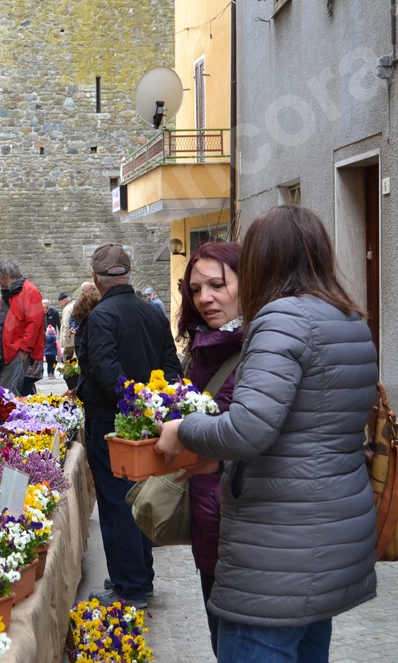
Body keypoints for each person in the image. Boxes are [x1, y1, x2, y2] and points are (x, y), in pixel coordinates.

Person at [155, 205, 378, 662]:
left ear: (260, 260)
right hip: (331, 534)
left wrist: (184, 428)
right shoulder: (348, 319)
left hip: (277, 547)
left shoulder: (280, 319)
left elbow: (246, 430)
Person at [77, 243, 182, 609]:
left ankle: (130, 585)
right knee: (137, 499)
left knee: (117, 503)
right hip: (148, 421)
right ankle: (137, 575)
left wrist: (134, 404)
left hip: (111, 421)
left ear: (96, 278)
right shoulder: (152, 313)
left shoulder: (101, 317)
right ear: (128, 272)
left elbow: (106, 371)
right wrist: (156, 405)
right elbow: (172, 367)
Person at [173, 241, 244, 657]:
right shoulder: (203, 344)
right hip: (210, 515)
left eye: (217, 285)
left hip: (245, 523)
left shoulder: (262, 347)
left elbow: (246, 432)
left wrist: (185, 431)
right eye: (196, 289)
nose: (205, 298)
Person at [0, 259, 45, 396]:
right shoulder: (10, 291)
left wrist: (25, 348)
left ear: (7, 275)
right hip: (3, 348)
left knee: (9, 391)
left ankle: (18, 416)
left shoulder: (29, 291)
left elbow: (34, 323)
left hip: (15, 349)